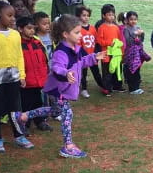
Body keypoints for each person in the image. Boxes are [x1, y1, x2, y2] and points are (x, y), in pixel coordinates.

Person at [10, 14, 106, 158]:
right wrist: (66, 73)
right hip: (59, 89)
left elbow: (82, 61)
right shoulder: (61, 51)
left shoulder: (77, 48)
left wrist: (94, 57)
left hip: (66, 88)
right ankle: (68, 146)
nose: (80, 35)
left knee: (55, 110)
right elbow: (56, 67)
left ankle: (22, 116)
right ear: (65, 34)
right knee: (67, 114)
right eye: (77, 32)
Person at [0, 0, 33, 152]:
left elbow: (19, 56)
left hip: (13, 77)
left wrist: (21, 75)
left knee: (15, 108)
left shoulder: (15, 34)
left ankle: (19, 136)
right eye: (9, 15)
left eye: (13, 16)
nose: (13, 19)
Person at [16, 16, 52, 132]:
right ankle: (25, 125)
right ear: (20, 29)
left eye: (33, 28)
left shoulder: (37, 42)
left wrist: (45, 74)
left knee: (38, 101)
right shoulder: (17, 44)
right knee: (26, 103)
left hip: (39, 79)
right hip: (26, 80)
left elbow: (44, 60)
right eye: (28, 28)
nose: (32, 30)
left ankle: (40, 121)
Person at [76, 5, 105, 98]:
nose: (86, 17)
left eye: (87, 15)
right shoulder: (77, 29)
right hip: (83, 56)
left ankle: (103, 86)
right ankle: (84, 89)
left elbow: (96, 41)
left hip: (93, 56)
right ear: (78, 16)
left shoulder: (92, 28)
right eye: (83, 15)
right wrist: (83, 55)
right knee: (83, 73)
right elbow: (77, 44)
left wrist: (96, 53)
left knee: (96, 72)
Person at [97, 4, 124, 96]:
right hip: (106, 54)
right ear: (103, 16)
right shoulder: (101, 27)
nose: (111, 16)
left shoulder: (116, 27)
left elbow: (120, 39)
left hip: (116, 54)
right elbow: (99, 41)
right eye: (109, 14)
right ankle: (106, 88)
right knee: (107, 71)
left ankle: (117, 86)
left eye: (113, 14)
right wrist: (109, 43)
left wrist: (121, 50)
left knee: (117, 70)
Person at [123, 11, 150, 94]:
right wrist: (135, 35)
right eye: (131, 19)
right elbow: (128, 42)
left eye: (135, 19)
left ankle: (136, 87)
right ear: (127, 20)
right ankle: (132, 89)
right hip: (130, 53)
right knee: (132, 70)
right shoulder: (126, 29)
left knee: (137, 69)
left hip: (137, 53)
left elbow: (141, 41)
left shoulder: (138, 27)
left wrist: (142, 34)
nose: (133, 21)